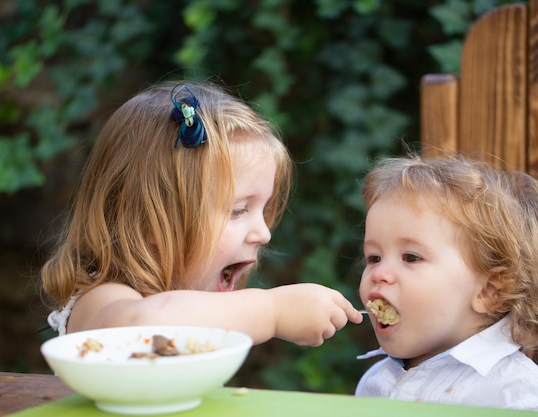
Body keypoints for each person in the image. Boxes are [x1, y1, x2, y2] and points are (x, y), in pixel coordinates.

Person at [41, 81, 362, 346]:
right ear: (150, 223)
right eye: (238, 211)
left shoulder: (195, 308)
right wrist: (271, 310)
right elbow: (135, 327)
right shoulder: (104, 300)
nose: (264, 233)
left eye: (263, 209)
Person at [355, 153, 538, 413]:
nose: (379, 273)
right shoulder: (374, 383)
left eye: (411, 257)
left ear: (488, 291)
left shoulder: (518, 397)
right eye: (374, 258)